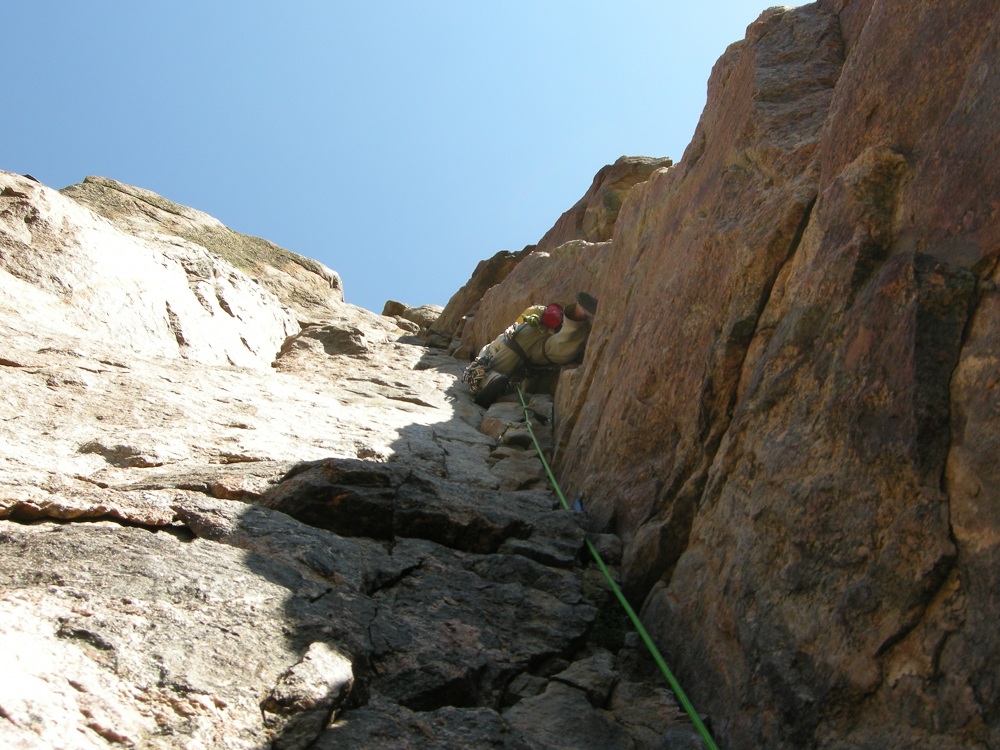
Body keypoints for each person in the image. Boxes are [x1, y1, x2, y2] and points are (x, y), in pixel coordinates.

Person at [463, 292, 598, 407]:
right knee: (562, 347)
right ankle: (579, 313)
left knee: (482, 373)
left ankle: (493, 380)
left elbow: (479, 366)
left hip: (519, 342)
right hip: (541, 331)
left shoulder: (490, 346)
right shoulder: (530, 317)